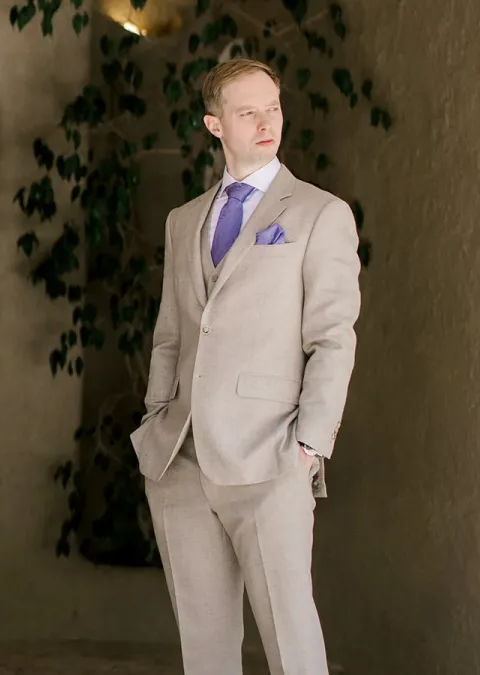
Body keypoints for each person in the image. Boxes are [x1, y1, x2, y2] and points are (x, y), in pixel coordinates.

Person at [129, 58, 362, 675]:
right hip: (181, 460)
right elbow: (171, 334)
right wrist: (157, 417)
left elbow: (334, 338)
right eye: (247, 112)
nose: (267, 123)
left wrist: (310, 445)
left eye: (274, 108)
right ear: (215, 124)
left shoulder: (320, 214)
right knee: (204, 650)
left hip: (271, 458)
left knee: (291, 638)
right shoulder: (184, 222)